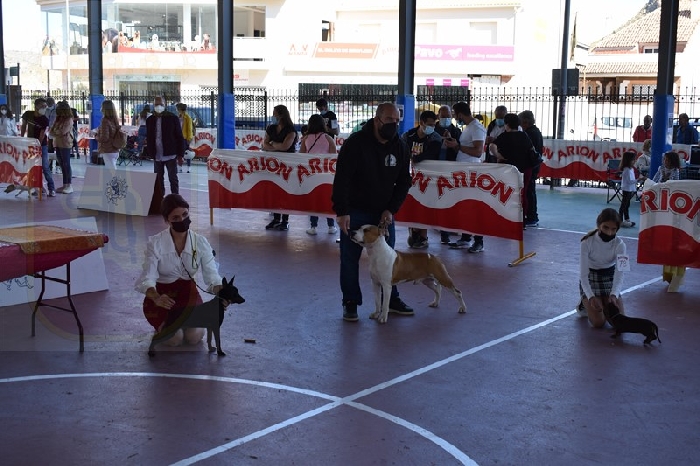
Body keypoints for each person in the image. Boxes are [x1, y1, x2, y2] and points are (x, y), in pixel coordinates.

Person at [332, 102, 413, 322]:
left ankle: (391, 299)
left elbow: (404, 181)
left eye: (397, 121)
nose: (394, 124)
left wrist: (391, 209)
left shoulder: (401, 146)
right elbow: (342, 179)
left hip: (383, 214)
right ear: (377, 120)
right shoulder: (355, 143)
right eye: (389, 120)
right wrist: (342, 211)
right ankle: (351, 302)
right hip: (355, 211)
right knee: (349, 258)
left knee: (388, 258)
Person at [135, 194, 227, 347]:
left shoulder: (200, 242)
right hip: (164, 298)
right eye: (175, 218)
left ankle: (181, 325)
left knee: (193, 337)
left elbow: (212, 276)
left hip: (188, 295)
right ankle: (165, 326)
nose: (182, 220)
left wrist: (221, 292)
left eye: (185, 214)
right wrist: (156, 297)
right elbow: (147, 277)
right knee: (175, 339)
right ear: (167, 220)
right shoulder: (155, 243)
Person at [444, 101, 486, 252]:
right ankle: (466, 237)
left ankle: (479, 241)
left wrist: (458, 146)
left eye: (455, 115)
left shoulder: (476, 128)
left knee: (473, 207)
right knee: (465, 206)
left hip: (471, 172)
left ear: (460, 114)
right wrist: (455, 144)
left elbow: (478, 151)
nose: (454, 118)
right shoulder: (469, 127)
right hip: (463, 172)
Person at [577, 208, 627, 328]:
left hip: (609, 277)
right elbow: (583, 275)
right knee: (598, 323)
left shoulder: (621, 245)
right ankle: (583, 303)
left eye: (614, 229)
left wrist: (614, 294)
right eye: (606, 227)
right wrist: (590, 296)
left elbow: (620, 273)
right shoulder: (586, 243)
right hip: (591, 278)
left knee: (619, 321)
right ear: (599, 225)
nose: (609, 233)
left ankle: (603, 300)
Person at [401, 109, 442, 249]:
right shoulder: (408, 135)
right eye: (430, 124)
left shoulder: (435, 137)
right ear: (422, 123)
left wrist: (416, 158)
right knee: (411, 203)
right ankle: (413, 231)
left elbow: (431, 154)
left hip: (428, 179)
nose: (432, 127)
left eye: (434, 124)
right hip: (410, 177)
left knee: (425, 204)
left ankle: (423, 236)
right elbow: (402, 150)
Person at [490, 113, 538, 221]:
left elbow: (492, 145)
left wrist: (498, 155)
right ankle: (521, 219)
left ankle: (508, 218)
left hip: (508, 169)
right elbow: (532, 150)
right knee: (522, 194)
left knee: (507, 193)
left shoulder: (504, 136)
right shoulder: (524, 135)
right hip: (525, 169)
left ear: (507, 124)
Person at [301, 114, 338, 235]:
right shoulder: (328, 138)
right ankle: (331, 226)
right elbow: (333, 157)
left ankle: (313, 226)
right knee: (327, 199)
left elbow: (301, 156)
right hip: (326, 175)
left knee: (314, 199)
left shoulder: (306, 139)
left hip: (311, 174)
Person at [263, 104, 298, 231]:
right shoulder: (271, 128)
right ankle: (276, 218)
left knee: (285, 192)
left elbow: (285, 147)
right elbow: (264, 144)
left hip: (287, 166)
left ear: (282, 115)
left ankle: (285, 220)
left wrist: (273, 145)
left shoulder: (290, 130)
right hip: (273, 165)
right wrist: (277, 146)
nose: (273, 117)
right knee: (274, 192)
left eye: (275, 114)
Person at [434, 105, 463, 244]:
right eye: (443, 116)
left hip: (451, 170)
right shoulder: (433, 130)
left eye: (448, 116)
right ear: (438, 116)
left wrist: (452, 142)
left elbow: (459, 150)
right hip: (434, 169)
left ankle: (446, 232)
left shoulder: (456, 131)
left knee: (449, 201)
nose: (445, 118)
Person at [146, 96, 185, 195]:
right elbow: (149, 137)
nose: (158, 106)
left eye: (161, 104)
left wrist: (180, 155)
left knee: (173, 178)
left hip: (170, 154)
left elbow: (179, 136)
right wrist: (150, 152)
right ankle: (160, 199)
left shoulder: (172, 118)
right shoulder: (150, 119)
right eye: (156, 104)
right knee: (158, 179)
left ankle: (175, 198)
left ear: (165, 105)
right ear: (153, 105)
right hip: (157, 155)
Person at [21, 98, 56, 196]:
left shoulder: (45, 119)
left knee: (45, 167)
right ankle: (37, 187)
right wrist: (21, 138)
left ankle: (51, 188)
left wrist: (38, 146)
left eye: (45, 106)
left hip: (42, 145)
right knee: (32, 166)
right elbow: (23, 126)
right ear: (36, 106)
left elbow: (42, 134)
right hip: (30, 144)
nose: (44, 108)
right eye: (42, 106)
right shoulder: (28, 114)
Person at [518, 110, 544, 227]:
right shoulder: (535, 131)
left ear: (525, 121)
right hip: (534, 165)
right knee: (530, 191)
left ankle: (532, 216)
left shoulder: (529, 133)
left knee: (529, 192)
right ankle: (532, 216)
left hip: (530, 166)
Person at [48, 101, 75, 194]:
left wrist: (55, 132)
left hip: (65, 144)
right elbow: (51, 130)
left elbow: (63, 131)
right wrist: (56, 132)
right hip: (57, 143)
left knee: (66, 164)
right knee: (61, 164)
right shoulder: (58, 118)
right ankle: (65, 185)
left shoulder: (69, 119)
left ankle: (69, 185)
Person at [94, 100, 123, 170]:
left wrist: (96, 136)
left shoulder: (105, 120)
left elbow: (104, 138)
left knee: (111, 172)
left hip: (108, 149)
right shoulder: (115, 119)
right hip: (115, 148)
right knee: (112, 170)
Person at [618, 151, 638, 228]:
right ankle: (620, 220)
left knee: (627, 205)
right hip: (626, 189)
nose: (634, 161)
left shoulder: (631, 169)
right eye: (633, 160)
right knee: (623, 205)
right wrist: (639, 179)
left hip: (629, 189)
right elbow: (629, 181)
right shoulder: (626, 170)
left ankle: (627, 219)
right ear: (628, 160)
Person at [176, 103, 194, 173]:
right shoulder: (178, 117)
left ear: (179, 109)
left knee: (187, 153)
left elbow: (189, 129)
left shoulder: (187, 117)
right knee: (179, 153)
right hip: (178, 137)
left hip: (185, 138)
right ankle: (180, 167)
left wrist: (189, 139)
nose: (176, 109)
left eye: (177, 108)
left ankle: (189, 167)